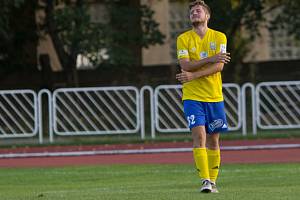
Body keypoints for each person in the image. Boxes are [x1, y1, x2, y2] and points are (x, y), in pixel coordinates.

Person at [175, 0, 231, 193]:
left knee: (213, 141)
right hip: (192, 96)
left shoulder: (220, 37)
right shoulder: (183, 38)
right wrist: (210, 59)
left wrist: (194, 74)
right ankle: (205, 180)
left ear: (207, 16)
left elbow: (220, 66)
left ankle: (213, 181)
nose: (194, 13)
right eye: (191, 11)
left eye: (198, 10)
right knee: (199, 136)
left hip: (214, 96)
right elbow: (186, 65)